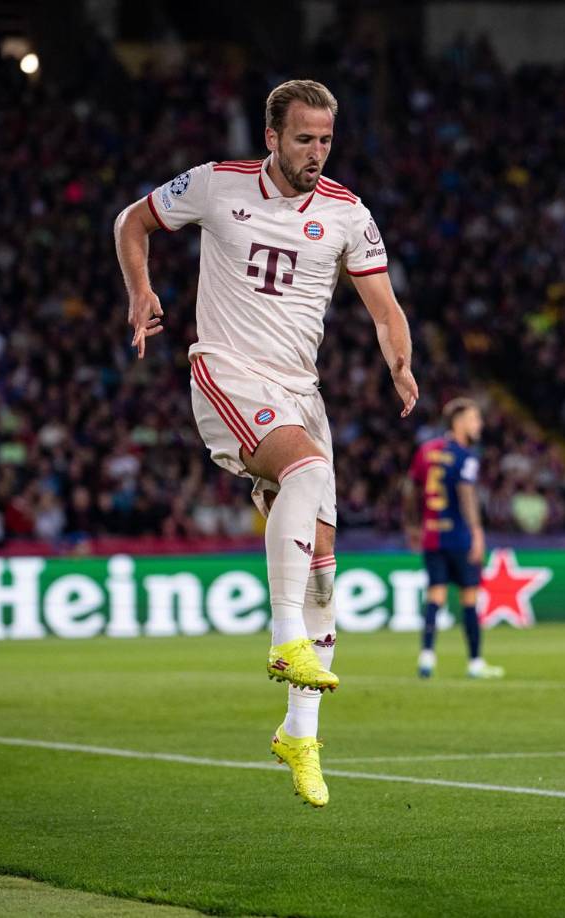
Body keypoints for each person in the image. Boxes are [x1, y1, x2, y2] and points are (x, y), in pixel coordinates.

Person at [114, 79, 418, 808]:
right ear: (273, 137)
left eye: (325, 140)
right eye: (304, 138)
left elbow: (385, 308)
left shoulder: (348, 213)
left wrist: (401, 362)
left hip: (299, 392)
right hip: (226, 368)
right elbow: (133, 221)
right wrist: (139, 289)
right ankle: (284, 638)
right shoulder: (218, 186)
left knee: (323, 578)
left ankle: (299, 735)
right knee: (307, 469)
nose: (316, 152)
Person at [404, 398, 504, 680]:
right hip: (459, 536)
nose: (479, 425)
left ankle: (427, 656)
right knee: (469, 598)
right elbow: (466, 494)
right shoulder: (466, 455)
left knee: (436, 595)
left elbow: (410, 489)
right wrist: (477, 532)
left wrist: (412, 525)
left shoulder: (425, 451)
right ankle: (475, 662)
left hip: (432, 535)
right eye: (474, 419)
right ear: (459, 422)